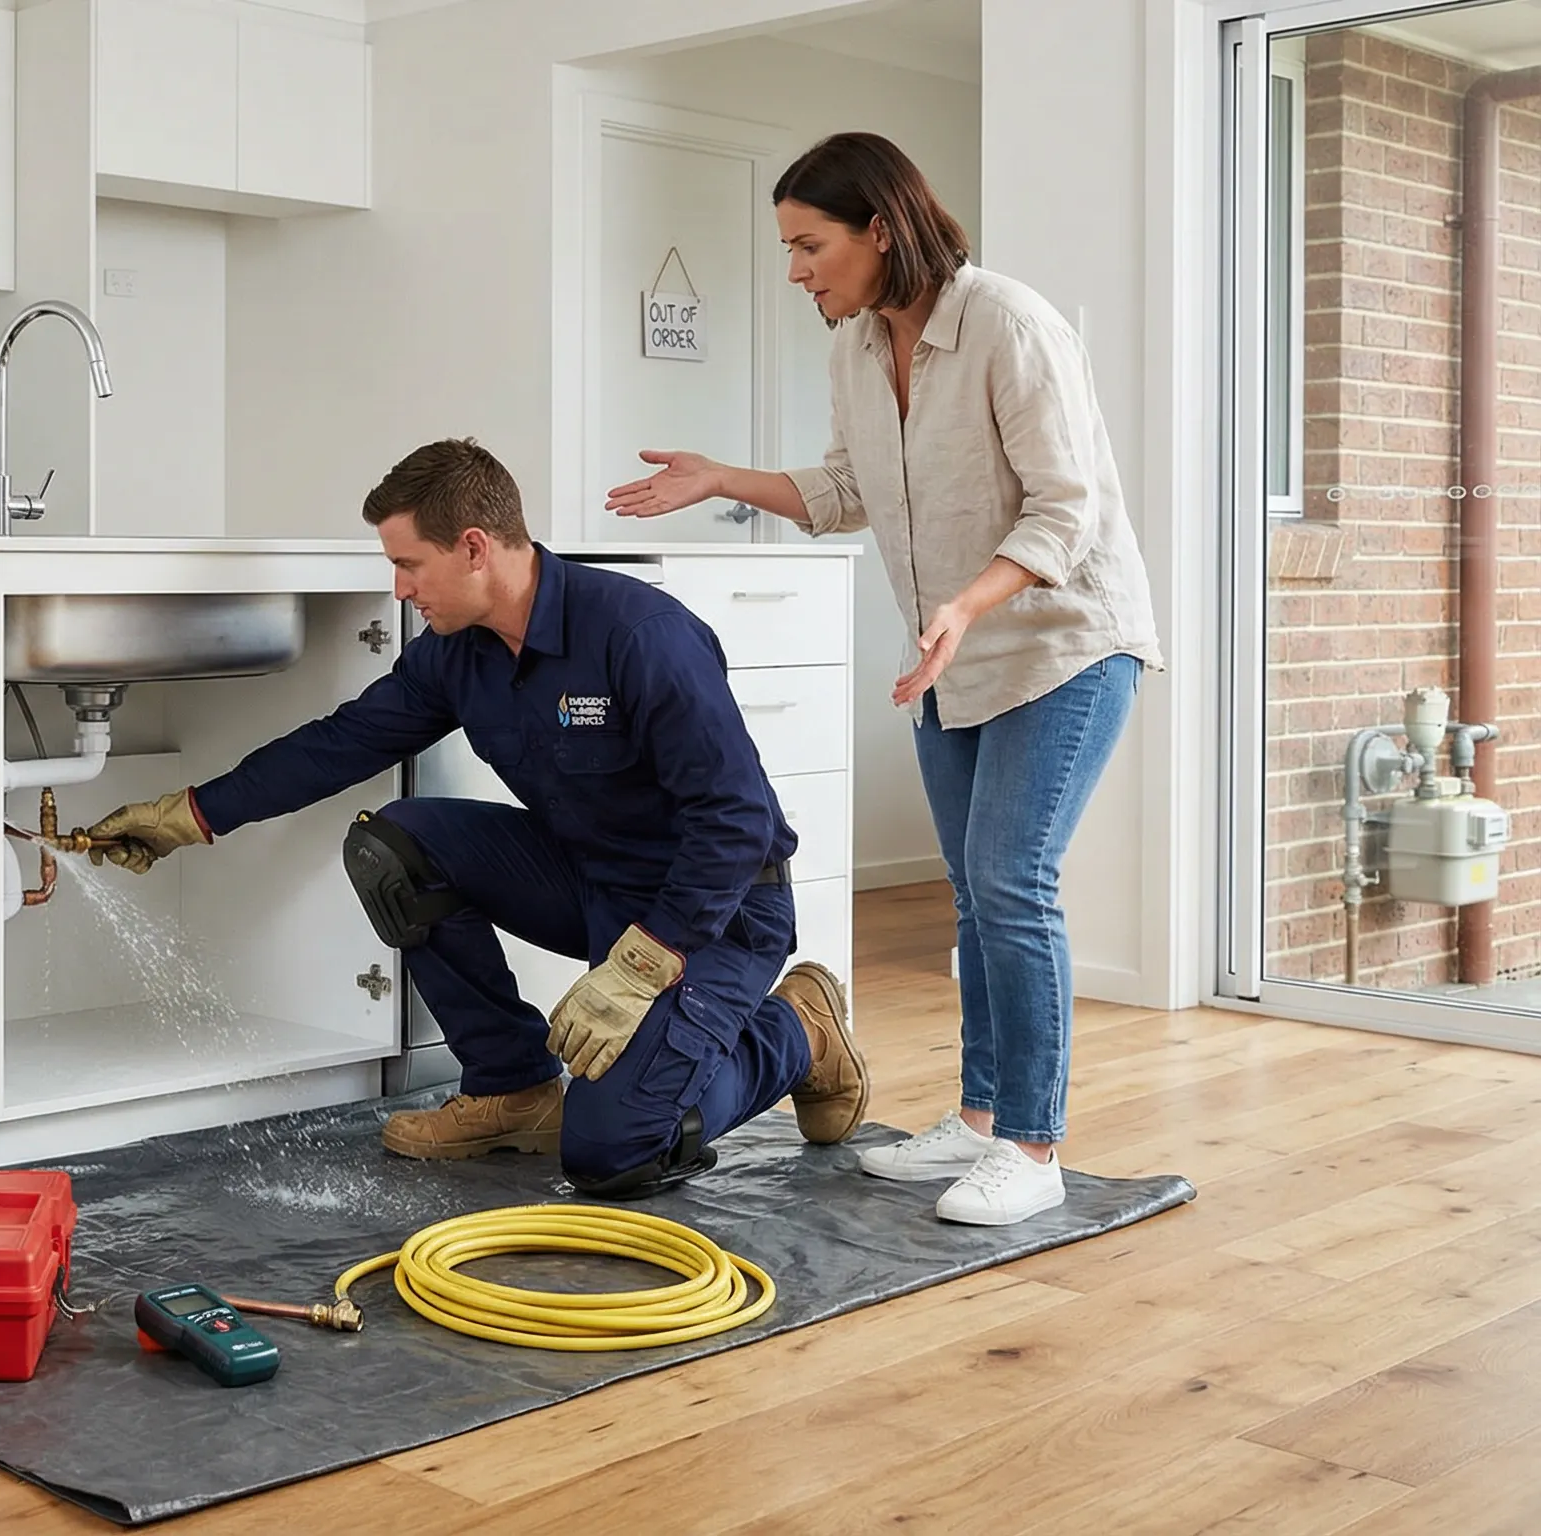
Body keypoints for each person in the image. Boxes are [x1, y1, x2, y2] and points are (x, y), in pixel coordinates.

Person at [607, 132, 1164, 1226]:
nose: (796, 270)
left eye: (810, 244)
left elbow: (1068, 506)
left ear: (881, 227)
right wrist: (725, 477)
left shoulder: (1006, 322)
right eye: (788, 248)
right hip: (948, 660)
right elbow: (847, 488)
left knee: (1011, 885)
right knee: (972, 893)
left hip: (1061, 641)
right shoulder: (857, 348)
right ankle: (978, 1120)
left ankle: (1035, 1147)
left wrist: (963, 602)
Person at [83, 438, 868, 1199]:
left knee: (614, 1150)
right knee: (399, 842)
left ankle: (799, 1032)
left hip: (716, 912)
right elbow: (341, 743)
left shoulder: (639, 635)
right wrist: (192, 814)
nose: (400, 589)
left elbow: (733, 822)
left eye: (407, 564)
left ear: (472, 548)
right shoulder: (458, 652)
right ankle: (513, 1086)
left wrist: (644, 963)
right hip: (590, 881)